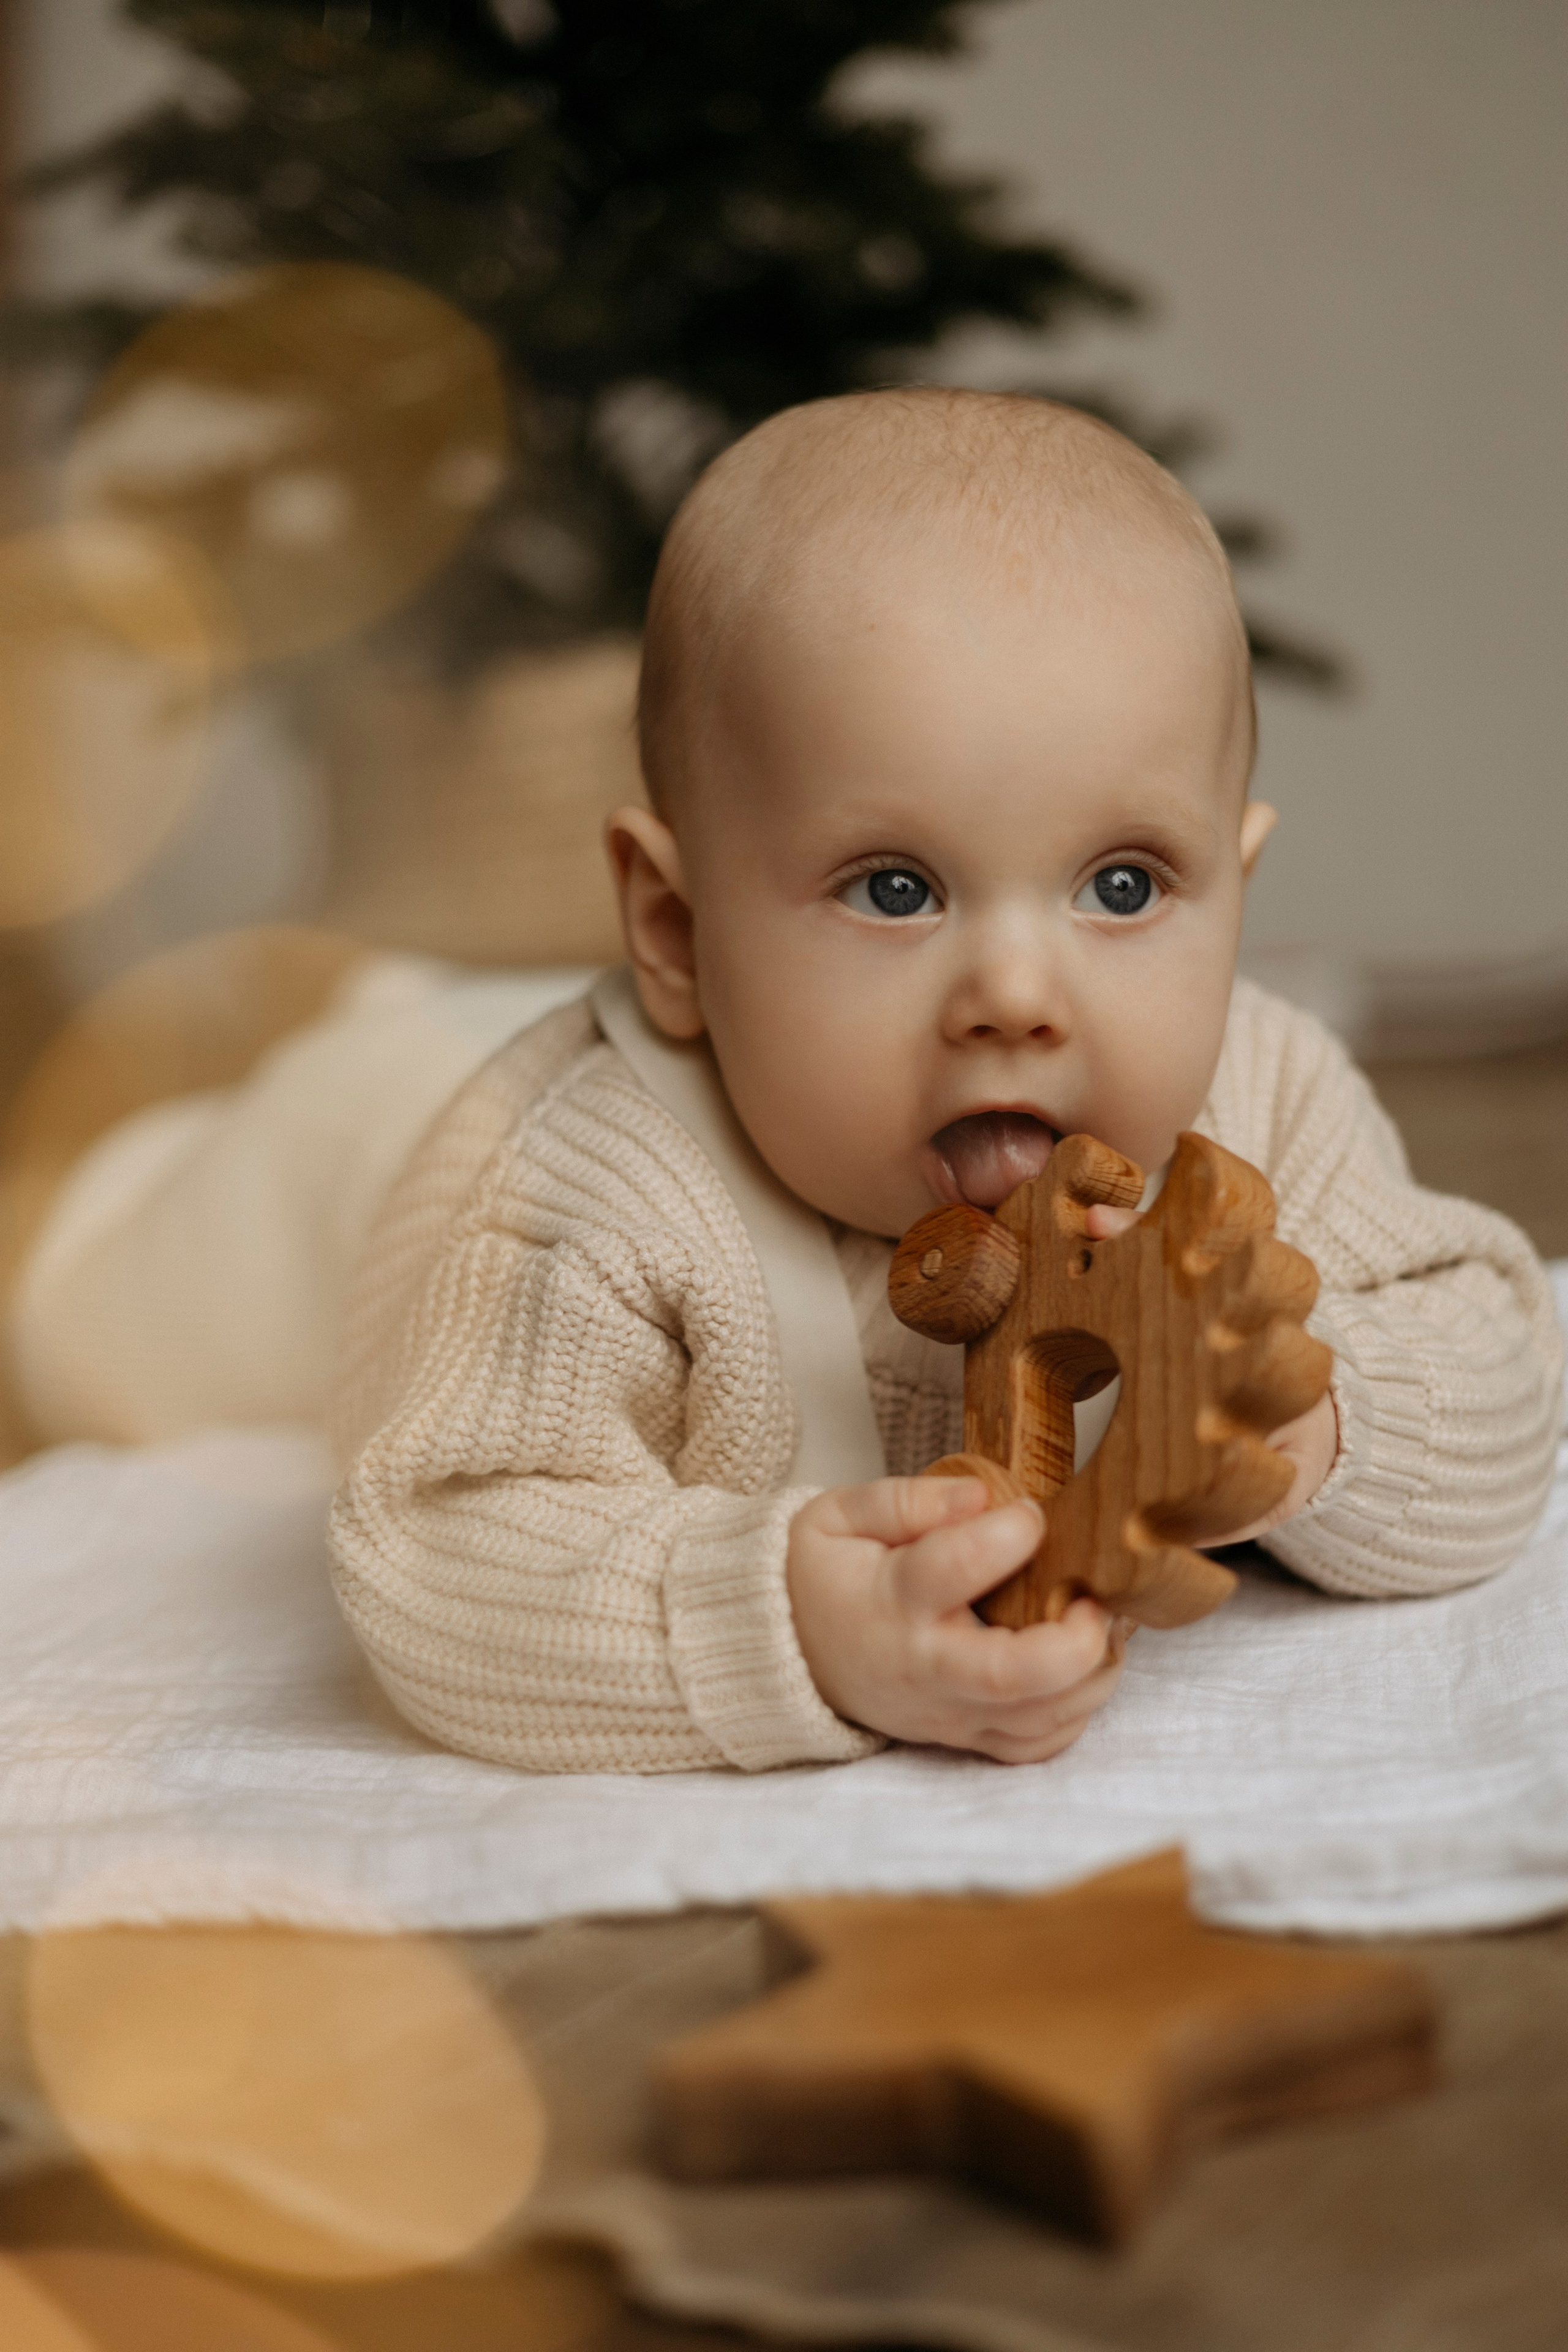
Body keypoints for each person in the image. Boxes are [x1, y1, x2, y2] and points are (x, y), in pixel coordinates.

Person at [328, 390, 1562, 1775]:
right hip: (343, 1167)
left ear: (1235, 890)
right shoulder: (588, 1191)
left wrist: (1298, 1415)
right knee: (169, 1257)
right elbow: (439, 1547)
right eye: (897, 890)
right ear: (677, 932)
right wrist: (793, 1620)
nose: (1017, 1000)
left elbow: (1502, 1378)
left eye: (1121, 885)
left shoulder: (1259, 1094)